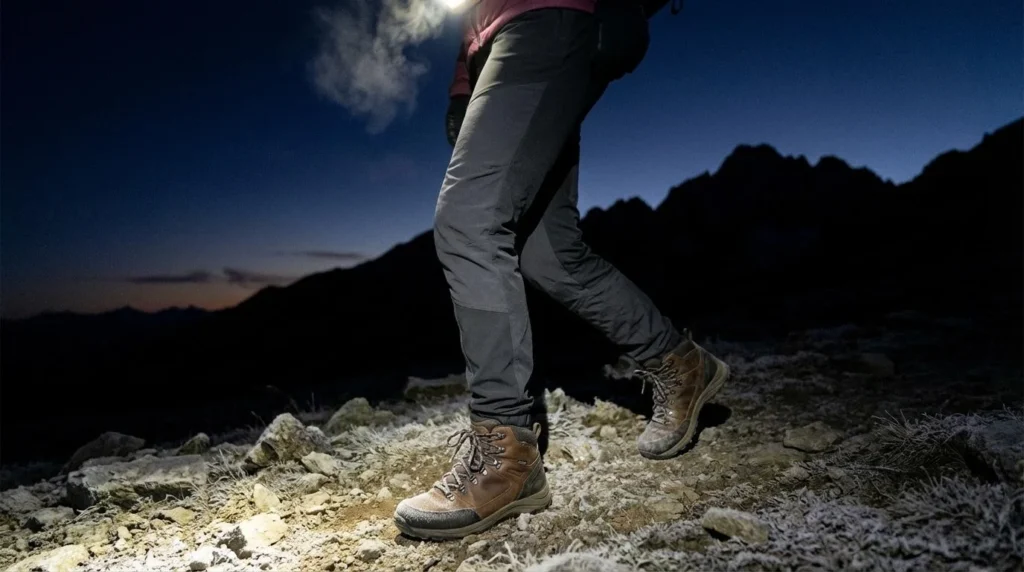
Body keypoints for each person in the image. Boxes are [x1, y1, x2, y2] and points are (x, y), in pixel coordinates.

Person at [393, 0, 728, 540]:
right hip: (505, 41)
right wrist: (461, 85)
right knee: (548, 253)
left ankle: (507, 459)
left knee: (469, 221)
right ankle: (680, 362)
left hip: (544, 20)